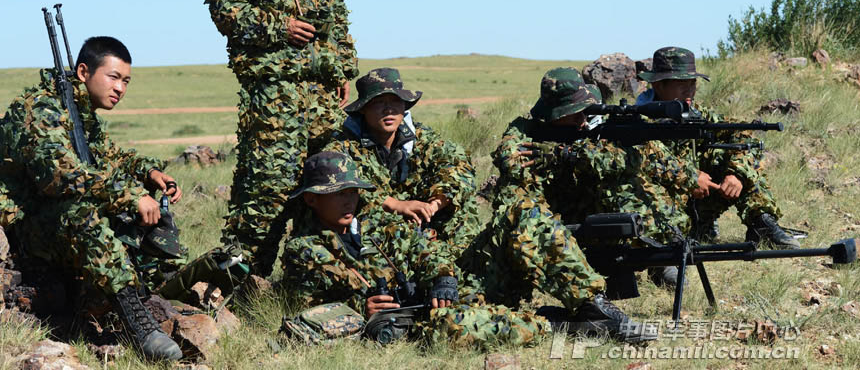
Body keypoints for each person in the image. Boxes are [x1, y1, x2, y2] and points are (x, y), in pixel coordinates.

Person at [281, 151, 653, 348]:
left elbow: (423, 250)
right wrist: (359, 308)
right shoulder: (303, 249)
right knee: (453, 329)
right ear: (312, 200)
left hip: (458, 287)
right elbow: (308, 308)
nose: (348, 201)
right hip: (417, 319)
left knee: (524, 213)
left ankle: (594, 305)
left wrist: (442, 277)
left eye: (352, 191)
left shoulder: (377, 220)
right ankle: (561, 326)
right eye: (336, 194)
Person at [0, 37, 184, 360]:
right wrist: (131, 195)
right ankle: (138, 325)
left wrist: (149, 174)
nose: (120, 89)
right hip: (21, 220)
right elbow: (62, 177)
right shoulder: (42, 110)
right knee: (85, 212)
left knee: (133, 214)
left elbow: (109, 157)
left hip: (50, 212)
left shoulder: (81, 111)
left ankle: (131, 295)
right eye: (113, 77)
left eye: (126, 81)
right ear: (84, 72)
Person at [205, 0, 359, 276]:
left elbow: (338, 19)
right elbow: (224, 8)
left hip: (322, 96)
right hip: (275, 94)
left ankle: (312, 282)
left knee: (327, 189)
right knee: (265, 194)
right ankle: (239, 285)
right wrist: (279, 26)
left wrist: (343, 69)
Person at [490, 67, 698, 287]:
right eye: (574, 114)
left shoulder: (588, 134)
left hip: (587, 207)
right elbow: (511, 161)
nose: (582, 120)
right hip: (545, 215)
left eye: (585, 112)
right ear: (555, 114)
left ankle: (659, 250)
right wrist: (554, 153)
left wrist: (569, 154)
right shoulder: (523, 130)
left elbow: (618, 160)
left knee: (622, 181)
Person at [635, 46, 800, 248]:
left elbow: (739, 134)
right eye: (682, 85)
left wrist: (736, 174)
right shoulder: (636, 121)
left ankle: (761, 224)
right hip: (658, 212)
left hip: (696, 204)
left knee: (735, 156)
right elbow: (643, 163)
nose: (690, 91)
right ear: (659, 85)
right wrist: (688, 177)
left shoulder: (696, 114)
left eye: (692, 84)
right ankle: (667, 246)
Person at [324, 68, 481, 258]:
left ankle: (454, 269)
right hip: (375, 222)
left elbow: (459, 166)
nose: (388, 109)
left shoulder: (421, 137)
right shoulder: (343, 146)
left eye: (395, 101)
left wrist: (434, 205)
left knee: (461, 207)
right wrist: (396, 204)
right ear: (363, 109)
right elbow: (339, 187)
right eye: (379, 102)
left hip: (419, 216)